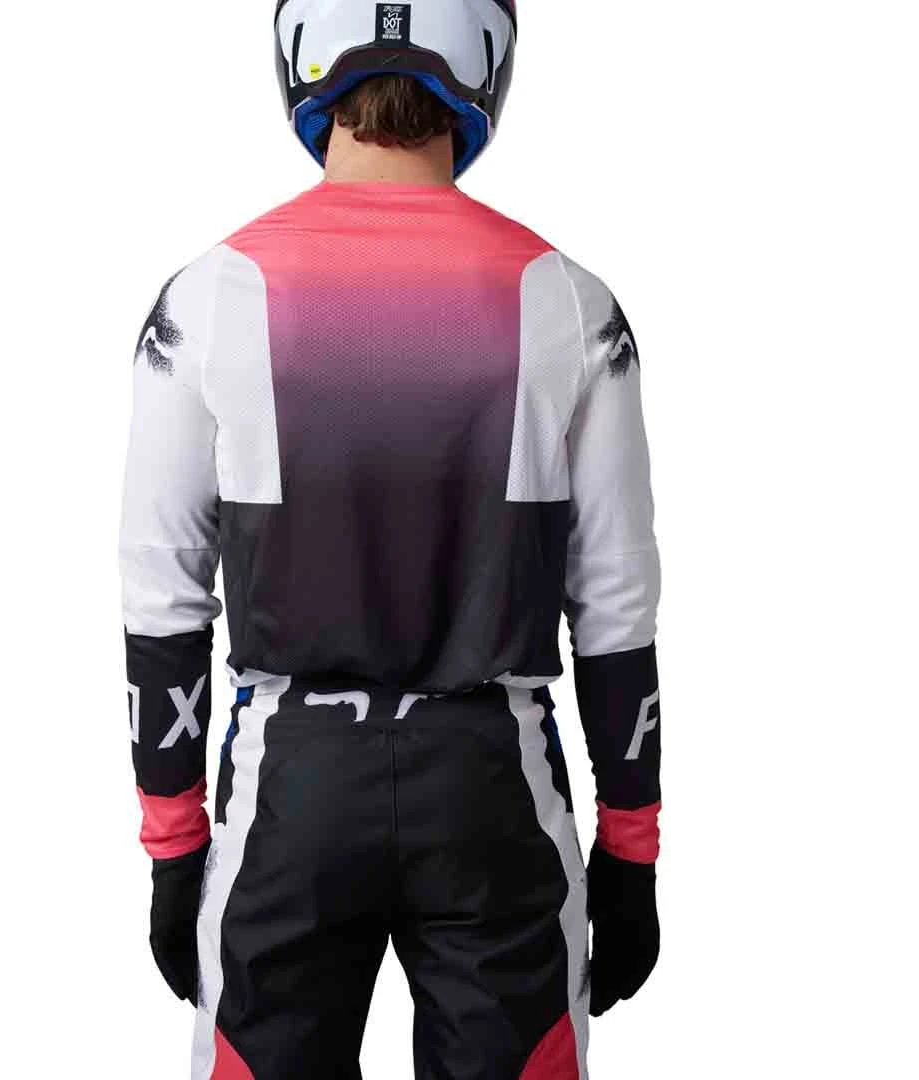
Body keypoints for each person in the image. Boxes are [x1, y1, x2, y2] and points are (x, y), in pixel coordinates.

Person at [119, 2, 662, 1077]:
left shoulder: (209, 296)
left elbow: (161, 591)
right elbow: (616, 604)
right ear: (486, 61)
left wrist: (174, 846)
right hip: (494, 784)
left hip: (291, 785)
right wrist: (632, 849)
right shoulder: (570, 302)